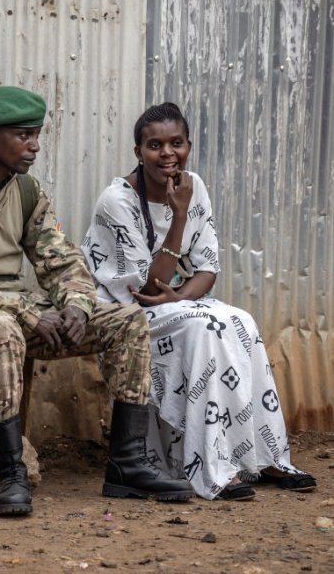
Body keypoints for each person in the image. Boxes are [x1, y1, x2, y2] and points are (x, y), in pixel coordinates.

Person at [0, 86, 194, 517]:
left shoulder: (26, 191)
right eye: (23, 135)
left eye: (37, 134)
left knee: (128, 320)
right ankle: (11, 473)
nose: (34, 145)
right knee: (0, 327)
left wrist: (77, 305)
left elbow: (60, 259)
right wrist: (21, 310)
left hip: (20, 313)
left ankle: (127, 466)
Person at [81, 102, 316, 500]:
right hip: (125, 314)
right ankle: (210, 466)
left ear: (188, 145)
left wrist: (180, 296)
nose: (167, 153)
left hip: (175, 303)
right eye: (155, 145)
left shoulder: (195, 185)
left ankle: (263, 456)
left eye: (177, 143)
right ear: (138, 152)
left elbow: (207, 269)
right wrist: (178, 216)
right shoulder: (116, 201)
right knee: (204, 326)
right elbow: (147, 288)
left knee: (240, 321)